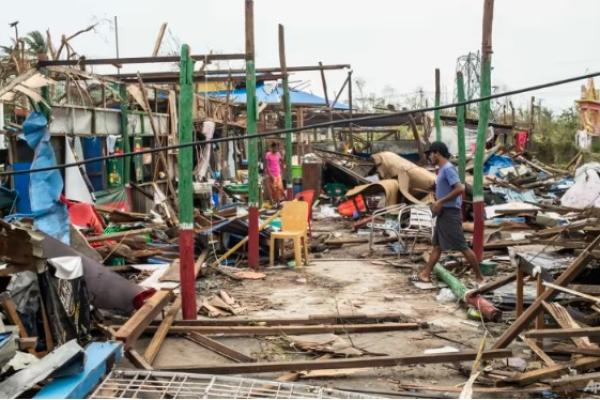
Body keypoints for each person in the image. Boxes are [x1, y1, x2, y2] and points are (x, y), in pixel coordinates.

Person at [416, 141, 484, 284]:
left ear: (437, 153)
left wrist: (441, 201)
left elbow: (460, 189)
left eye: (431, 154)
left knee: (461, 246)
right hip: (443, 213)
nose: (430, 158)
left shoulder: (447, 169)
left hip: (449, 213)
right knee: (437, 246)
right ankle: (425, 273)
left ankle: (479, 277)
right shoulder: (442, 170)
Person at [264, 142, 285, 206]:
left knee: (279, 188)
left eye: (277, 148)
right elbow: (267, 166)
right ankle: (272, 202)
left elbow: (281, 160)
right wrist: (270, 175)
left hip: (278, 174)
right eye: (275, 148)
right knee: (273, 189)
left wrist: (282, 168)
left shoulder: (278, 154)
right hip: (271, 174)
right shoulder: (268, 155)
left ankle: (278, 202)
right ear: (272, 148)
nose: (276, 149)